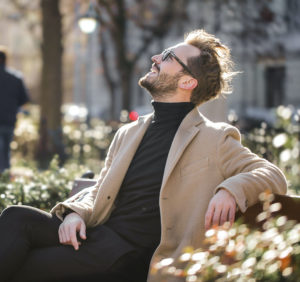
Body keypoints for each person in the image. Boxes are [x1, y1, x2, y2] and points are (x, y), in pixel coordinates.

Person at [0, 30, 287, 282]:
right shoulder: (129, 132)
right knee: (16, 217)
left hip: (130, 256)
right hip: (98, 236)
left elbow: (272, 175)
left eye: (168, 56)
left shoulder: (214, 138)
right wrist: (76, 213)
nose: (155, 58)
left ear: (187, 82)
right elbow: (101, 187)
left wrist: (231, 189)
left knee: (22, 267)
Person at [0, 46, 30, 173]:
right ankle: (5, 175)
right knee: (6, 150)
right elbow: (24, 99)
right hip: (9, 119)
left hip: (7, 119)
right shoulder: (16, 78)